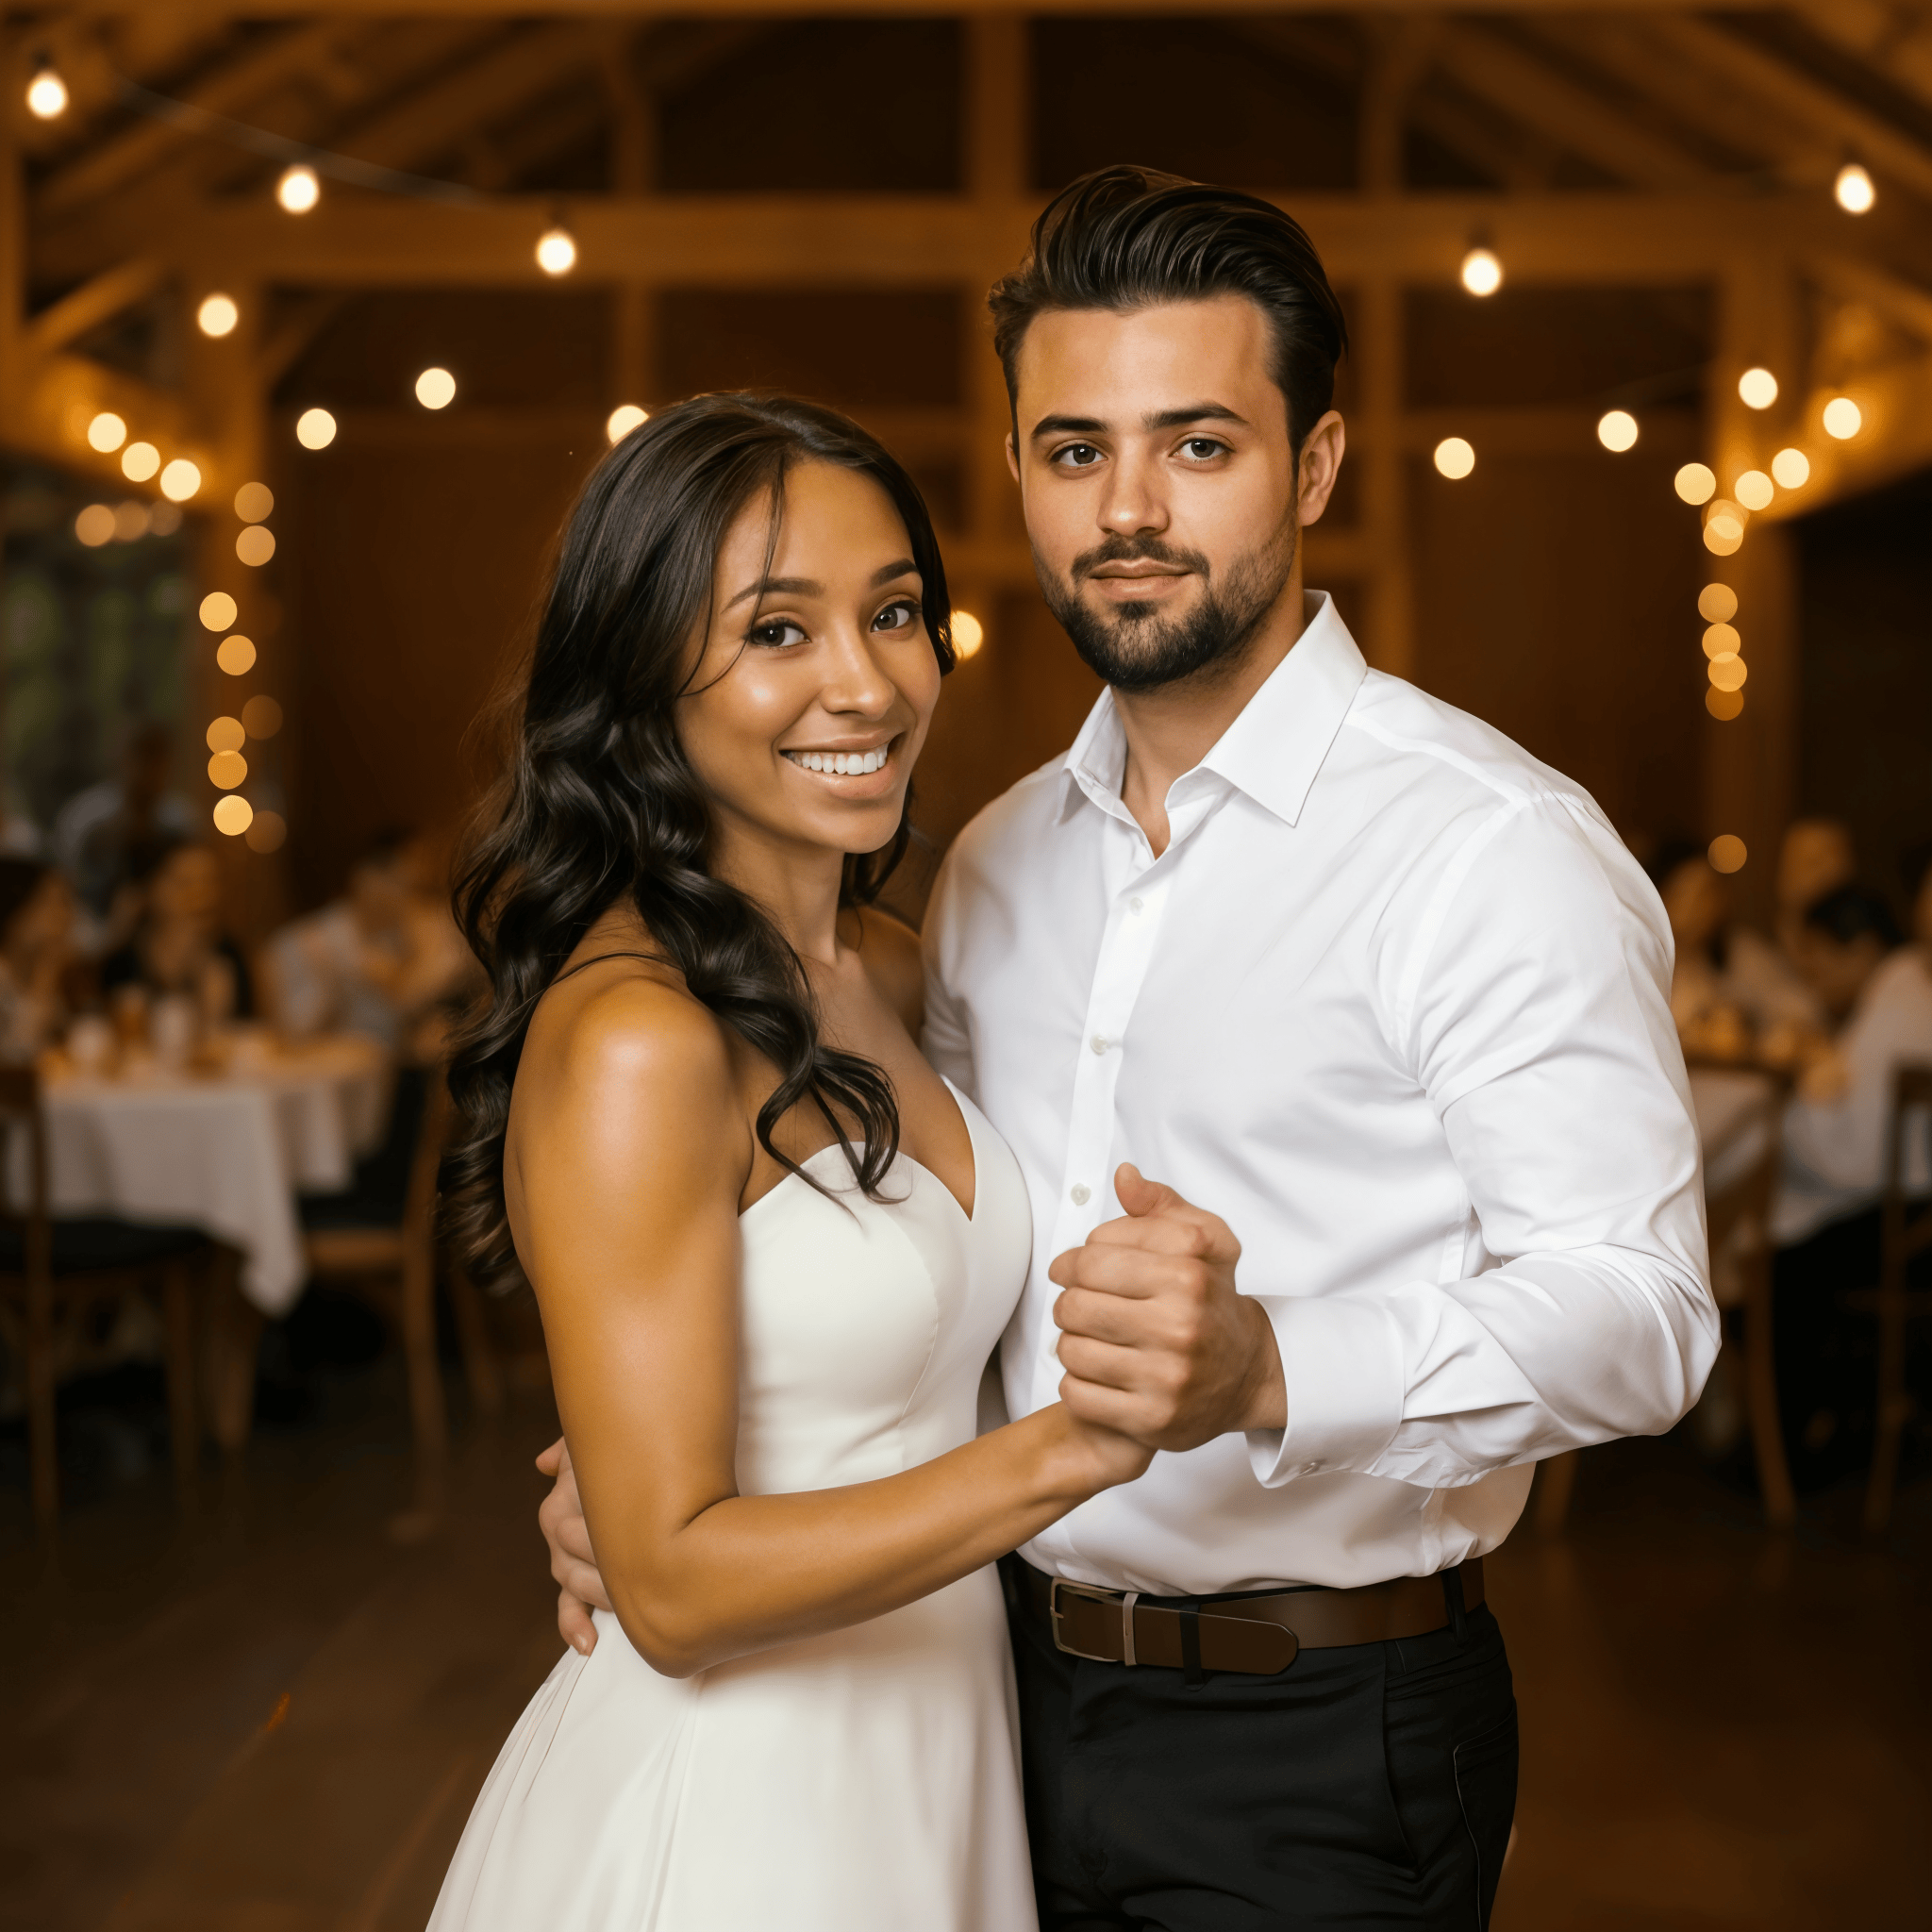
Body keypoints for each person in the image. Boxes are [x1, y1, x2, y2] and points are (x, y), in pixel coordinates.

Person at [538, 168, 1716, 1931]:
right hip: (975, 1693)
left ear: (1311, 468)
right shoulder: (991, 864)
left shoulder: (1486, 844)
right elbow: (882, 1251)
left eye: (1199, 444)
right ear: (1017, 473)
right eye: (1074, 449)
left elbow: (1642, 1313)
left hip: (1309, 1732)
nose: (1130, 508)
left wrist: (1269, 1367)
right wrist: (651, 1489)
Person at [427, 393, 1151, 1932]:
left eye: (894, 612)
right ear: (640, 682)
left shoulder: (899, 960)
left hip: (937, 1752)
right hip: (742, 1811)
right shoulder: (637, 1034)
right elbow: (674, 1587)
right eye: (776, 630)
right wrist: (1070, 1450)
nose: (865, 681)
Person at [1770, 886, 1932, 1477]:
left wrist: (1798, 1096)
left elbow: (1849, 1158)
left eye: (1817, 955)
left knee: (1782, 1257)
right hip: (1912, 1210)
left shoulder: (1897, 1004)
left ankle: (1789, 1451)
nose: (1808, 972)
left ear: (1861, 950)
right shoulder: (1909, 988)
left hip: (1904, 1223)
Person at [262, 826, 472, 1056]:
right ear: (366, 878)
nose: (412, 898)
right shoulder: (306, 943)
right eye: (405, 884)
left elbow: (410, 1006)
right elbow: (290, 1035)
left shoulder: (409, 937)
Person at [50, 721, 192, 938]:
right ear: (121, 760)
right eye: (142, 759)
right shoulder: (86, 820)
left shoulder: (180, 822)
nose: (149, 773)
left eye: (158, 761)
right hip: (93, 935)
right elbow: (65, 889)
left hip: (168, 936)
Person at [99, 842, 253, 1024]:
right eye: (184, 883)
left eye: (209, 882)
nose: (200, 894)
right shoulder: (122, 963)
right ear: (150, 889)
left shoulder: (229, 955)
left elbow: (245, 1034)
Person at [0, 859, 81, 1060]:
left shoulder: (61, 969)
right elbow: (15, 1061)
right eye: (49, 904)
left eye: (66, 903)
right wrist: (45, 976)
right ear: (13, 915)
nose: (66, 916)